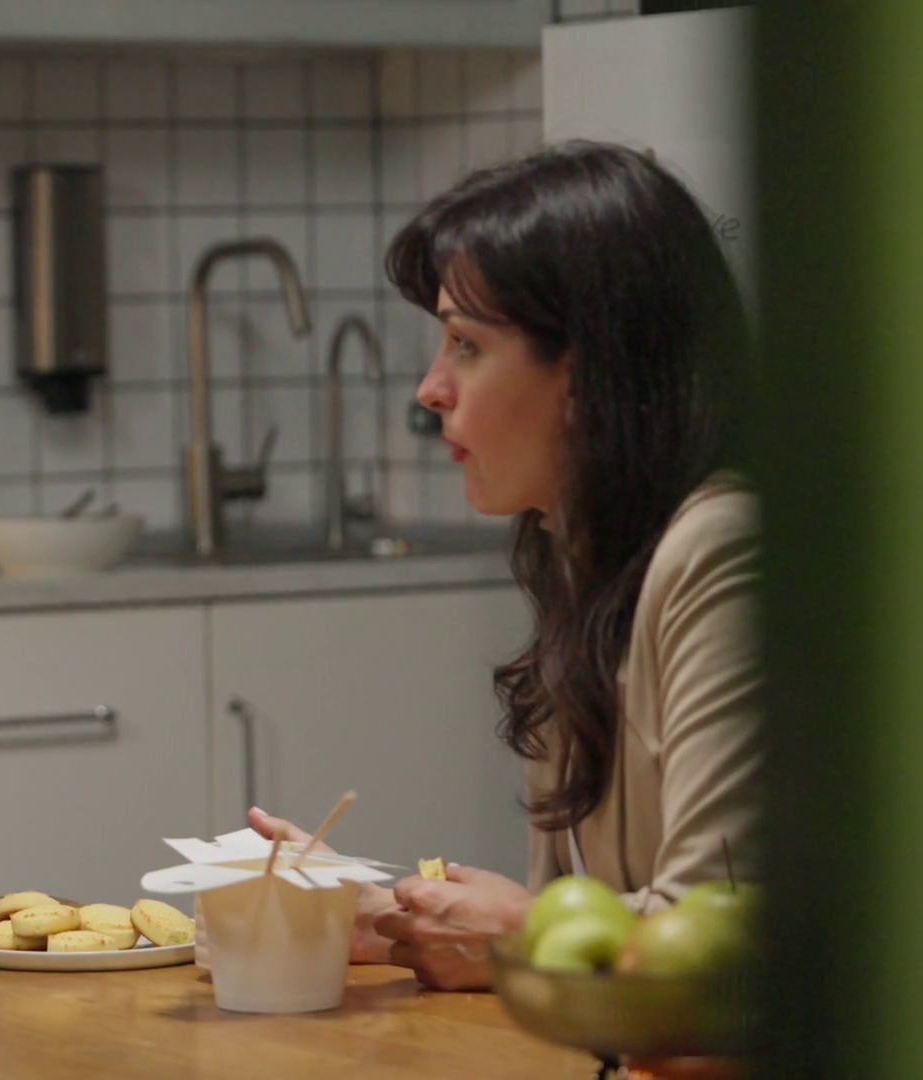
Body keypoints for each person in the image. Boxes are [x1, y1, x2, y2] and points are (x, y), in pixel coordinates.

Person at [252, 141, 760, 1000]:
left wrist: (518, 940)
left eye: (465, 344)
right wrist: (386, 917)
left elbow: (732, 938)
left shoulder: (722, 551)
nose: (430, 388)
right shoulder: (583, 553)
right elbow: (585, 918)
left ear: (590, 371)